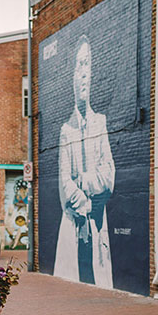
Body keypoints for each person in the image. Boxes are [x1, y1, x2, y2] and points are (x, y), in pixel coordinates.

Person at [54, 34, 115, 287]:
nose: (83, 73)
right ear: (71, 75)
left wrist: (83, 180)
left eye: (87, 64)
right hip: (73, 223)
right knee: (70, 285)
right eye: (79, 65)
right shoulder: (66, 130)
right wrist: (85, 203)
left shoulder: (100, 123)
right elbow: (64, 183)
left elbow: (109, 176)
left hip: (98, 225)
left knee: (101, 286)